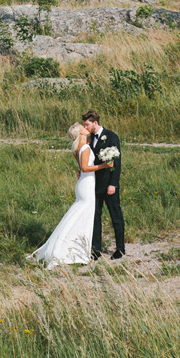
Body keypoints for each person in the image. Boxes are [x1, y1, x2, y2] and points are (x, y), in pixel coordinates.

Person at [29, 122, 111, 268]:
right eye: (83, 128)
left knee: (77, 215)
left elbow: (80, 167)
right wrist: (104, 165)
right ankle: (77, 252)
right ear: (80, 133)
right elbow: (85, 168)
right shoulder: (85, 148)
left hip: (83, 184)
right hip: (86, 184)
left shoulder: (77, 148)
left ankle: (73, 249)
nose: (86, 129)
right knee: (84, 216)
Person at [82, 110, 124, 260]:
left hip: (109, 184)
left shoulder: (111, 137)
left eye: (87, 124)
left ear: (95, 123)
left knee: (115, 215)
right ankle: (96, 249)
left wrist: (113, 183)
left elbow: (116, 163)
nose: (85, 127)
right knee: (95, 217)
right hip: (94, 184)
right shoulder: (89, 139)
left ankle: (120, 248)